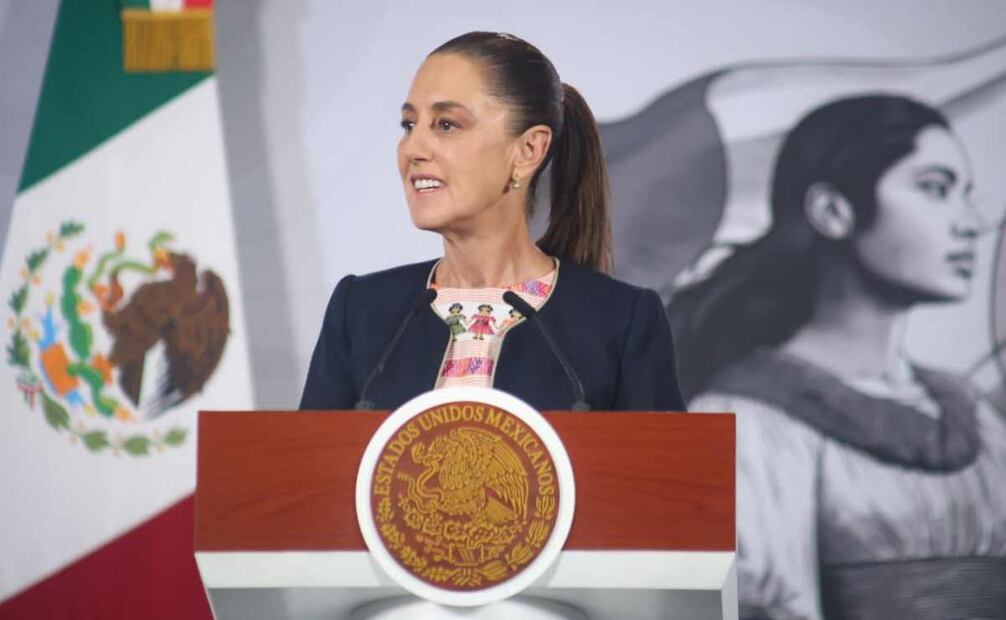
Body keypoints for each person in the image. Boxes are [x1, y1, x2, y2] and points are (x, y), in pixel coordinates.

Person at [670, 95, 1006, 619]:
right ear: (833, 211)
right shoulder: (745, 420)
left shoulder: (974, 412)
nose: (969, 223)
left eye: (966, 195)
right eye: (936, 189)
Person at [300, 32, 685, 412]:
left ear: (528, 150)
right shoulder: (360, 311)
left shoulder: (622, 321)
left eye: (446, 124)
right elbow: (308, 454)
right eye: (409, 125)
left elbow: (662, 455)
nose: (413, 148)